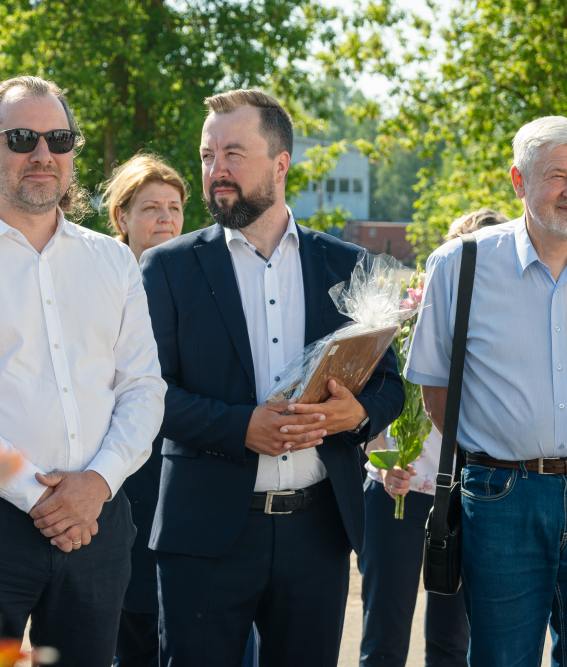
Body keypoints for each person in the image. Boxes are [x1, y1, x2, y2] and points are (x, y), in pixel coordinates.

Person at [0, 76, 166, 665]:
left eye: (59, 139)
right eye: (22, 138)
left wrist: (97, 485)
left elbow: (143, 389)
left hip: (98, 521)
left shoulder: (113, 261)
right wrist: (40, 496)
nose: (43, 154)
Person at [140, 89, 405, 666]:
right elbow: (147, 394)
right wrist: (242, 428)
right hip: (204, 534)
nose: (216, 169)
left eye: (233, 153)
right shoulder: (168, 267)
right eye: (207, 155)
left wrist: (357, 413)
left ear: (281, 164)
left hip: (318, 534)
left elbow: (390, 384)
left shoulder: (347, 265)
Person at [405, 116, 567, 666]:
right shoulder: (459, 266)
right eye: (557, 176)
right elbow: (436, 393)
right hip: (501, 496)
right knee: (501, 658)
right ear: (518, 181)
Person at [357, 208, 507, 667]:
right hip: (396, 492)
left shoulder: (508, 329)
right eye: (465, 250)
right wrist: (383, 462)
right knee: (383, 640)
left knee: (451, 642)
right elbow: (367, 400)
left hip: (466, 497)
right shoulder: (405, 316)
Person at [100, 154, 186, 667]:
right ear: (122, 217)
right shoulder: (99, 284)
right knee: (129, 630)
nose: (165, 219)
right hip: (119, 479)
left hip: (183, 479)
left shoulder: (198, 283)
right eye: (151, 207)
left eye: (174, 207)